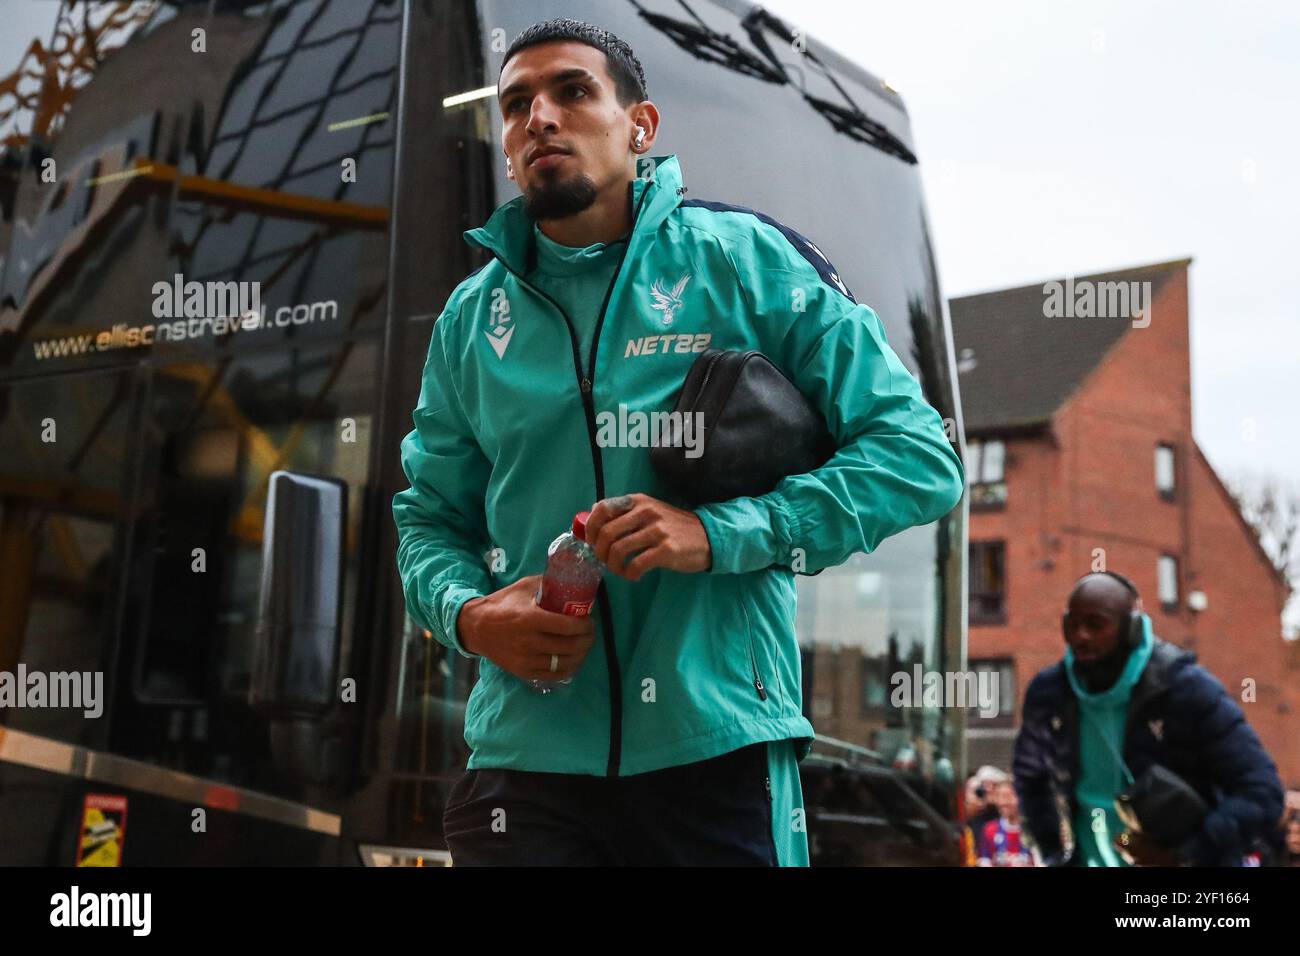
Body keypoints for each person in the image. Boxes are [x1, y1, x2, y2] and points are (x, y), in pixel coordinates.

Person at [391, 18, 964, 866]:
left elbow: (919, 457)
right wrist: (471, 618)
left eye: (573, 92)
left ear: (641, 127)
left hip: (713, 757)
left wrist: (720, 534)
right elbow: (426, 521)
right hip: (525, 768)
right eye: (516, 105)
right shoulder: (471, 322)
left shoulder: (746, 262)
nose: (539, 118)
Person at [1012, 571, 1284, 866]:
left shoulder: (1186, 688)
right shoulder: (1049, 692)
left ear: (1131, 628)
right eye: (1072, 625)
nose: (1081, 636)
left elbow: (1262, 792)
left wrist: (1188, 854)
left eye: (1095, 624)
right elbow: (1030, 777)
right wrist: (1052, 851)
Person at [976, 778, 1036, 866]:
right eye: (999, 796)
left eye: (1008, 796)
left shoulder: (1034, 830)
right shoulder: (990, 830)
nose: (1003, 802)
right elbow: (984, 860)